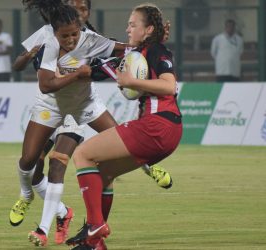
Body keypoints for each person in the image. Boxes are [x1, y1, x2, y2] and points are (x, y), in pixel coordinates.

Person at [10, 1, 171, 248]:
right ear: (55, 32)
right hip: (50, 105)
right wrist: (75, 73)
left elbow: (126, 48)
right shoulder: (48, 39)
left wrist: (156, 38)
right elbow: (45, 84)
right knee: (28, 160)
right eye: (66, 35)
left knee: (118, 141)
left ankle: (149, 167)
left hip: (84, 105)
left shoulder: (90, 39)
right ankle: (27, 195)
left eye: (75, 33)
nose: (72, 39)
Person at [66, 3, 182, 249]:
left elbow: (169, 85)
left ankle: (95, 225)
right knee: (104, 173)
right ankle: (93, 242)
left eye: (133, 24)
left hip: (156, 126)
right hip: (168, 132)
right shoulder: (139, 52)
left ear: (148, 29)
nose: (128, 28)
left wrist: (131, 81)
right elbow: (102, 66)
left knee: (83, 154)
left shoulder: (155, 51)